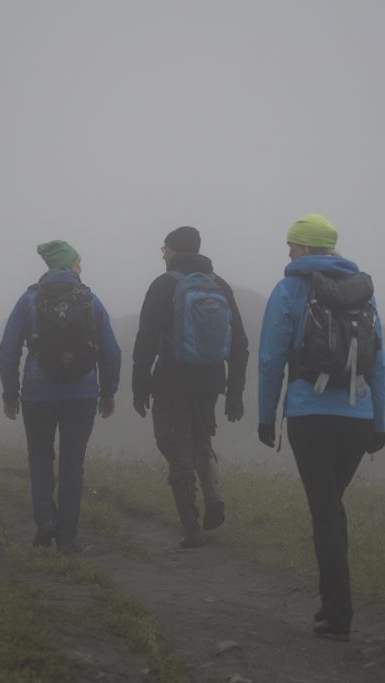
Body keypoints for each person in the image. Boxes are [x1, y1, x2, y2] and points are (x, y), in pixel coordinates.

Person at [257, 214, 385, 641]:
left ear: (306, 249)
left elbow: (271, 358)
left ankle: (339, 614)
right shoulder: (362, 292)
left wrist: (265, 415)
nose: (288, 252)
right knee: (332, 507)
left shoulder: (289, 289)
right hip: (357, 418)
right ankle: (333, 605)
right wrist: (378, 422)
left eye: (292, 245)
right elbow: (379, 363)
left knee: (326, 511)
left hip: (309, 415)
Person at [0, 240, 121, 554]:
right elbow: (111, 352)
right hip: (81, 394)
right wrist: (107, 394)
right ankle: (67, 539)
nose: (82, 268)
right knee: (72, 464)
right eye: (79, 262)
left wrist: (11, 394)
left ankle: (45, 520)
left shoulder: (29, 300)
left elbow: (8, 350)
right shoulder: (90, 301)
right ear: (68, 266)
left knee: (40, 457)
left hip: (38, 394)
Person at [132, 226, 249, 548]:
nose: (162, 255)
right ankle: (213, 495)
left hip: (171, 378)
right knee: (201, 437)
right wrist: (235, 392)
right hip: (210, 381)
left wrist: (139, 385)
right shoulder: (219, 285)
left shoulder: (163, 285)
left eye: (163, 249)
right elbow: (239, 343)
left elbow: (146, 340)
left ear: (172, 251)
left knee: (173, 444)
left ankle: (192, 529)